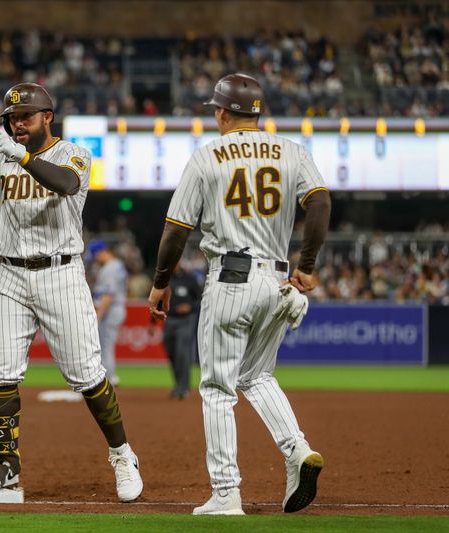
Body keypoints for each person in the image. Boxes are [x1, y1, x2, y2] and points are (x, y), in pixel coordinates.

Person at [0, 82, 143, 502]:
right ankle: (5, 463)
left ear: (47, 118)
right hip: (12, 275)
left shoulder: (73, 152)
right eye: (12, 119)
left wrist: (19, 155)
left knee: (87, 375)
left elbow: (66, 184)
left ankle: (123, 454)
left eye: (25, 118)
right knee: (0, 373)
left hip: (61, 274)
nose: (16, 125)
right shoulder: (2, 155)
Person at [147, 73, 331, 515]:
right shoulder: (293, 151)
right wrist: (306, 267)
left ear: (224, 112)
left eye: (216, 110)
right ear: (258, 112)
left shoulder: (208, 155)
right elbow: (321, 204)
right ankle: (297, 450)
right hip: (279, 281)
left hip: (230, 277)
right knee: (257, 375)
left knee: (216, 387)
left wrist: (161, 281)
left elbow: (176, 229)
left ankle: (227, 492)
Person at [87, 239, 127, 387]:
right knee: (105, 345)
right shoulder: (116, 265)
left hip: (110, 309)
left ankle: (110, 378)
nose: (95, 259)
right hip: (114, 308)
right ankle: (109, 377)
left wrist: (99, 315)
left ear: (102, 252)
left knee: (105, 346)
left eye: (95, 255)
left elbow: (108, 295)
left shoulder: (111, 268)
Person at [163, 260, 202, 399]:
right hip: (169, 319)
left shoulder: (190, 279)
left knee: (182, 353)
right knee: (171, 352)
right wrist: (151, 323)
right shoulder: (164, 279)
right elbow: (158, 301)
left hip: (187, 319)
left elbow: (200, 298)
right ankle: (178, 385)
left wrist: (190, 306)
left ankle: (183, 388)